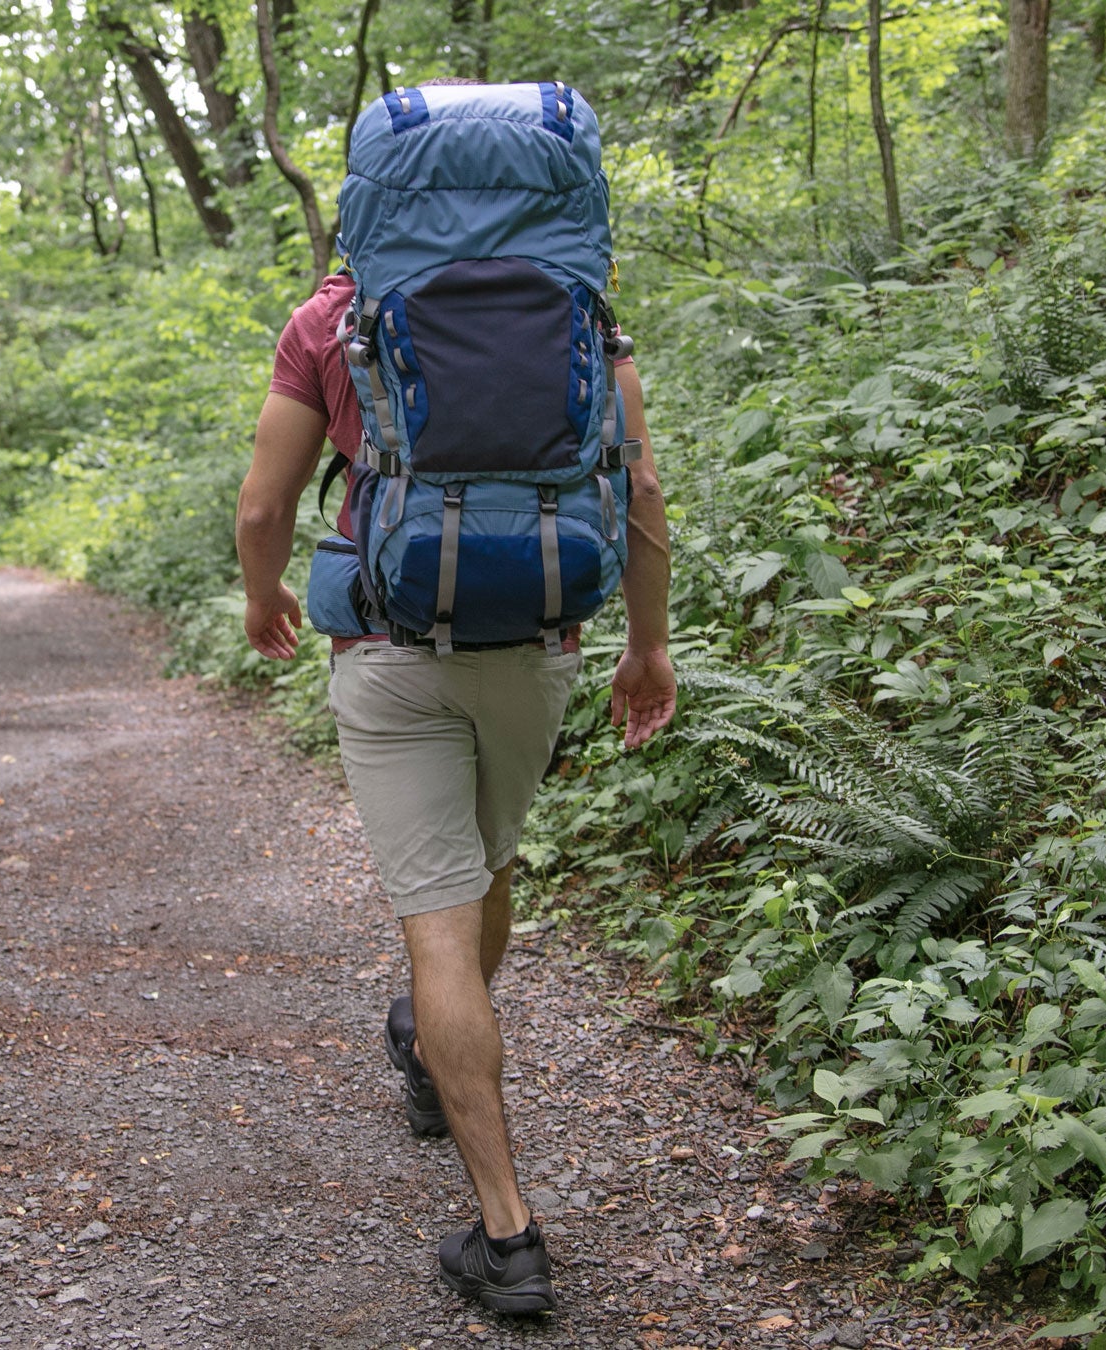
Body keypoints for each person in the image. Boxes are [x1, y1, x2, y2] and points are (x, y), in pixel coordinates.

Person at [233, 219, 677, 1311]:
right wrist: (647, 645)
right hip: (536, 644)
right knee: (488, 865)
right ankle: (439, 1047)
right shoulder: (580, 314)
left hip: (386, 654)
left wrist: (263, 594)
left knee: (436, 917)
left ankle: (509, 1234)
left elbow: (262, 506)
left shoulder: (331, 321)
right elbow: (643, 493)